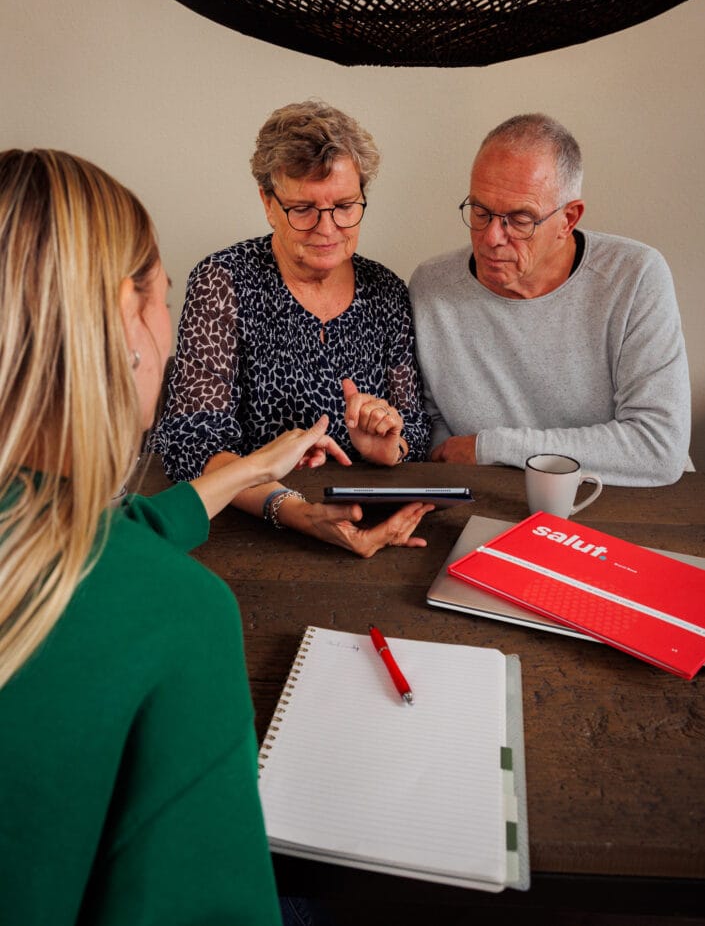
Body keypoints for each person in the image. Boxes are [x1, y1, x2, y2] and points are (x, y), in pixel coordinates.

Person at [0, 148, 356, 925]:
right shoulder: (181, 615)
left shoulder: (39, 530)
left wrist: (255, 469)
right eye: (160, 299)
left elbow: (102, 536)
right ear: (122, 324)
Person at [150, 99, 432, 553]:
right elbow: (192, 442)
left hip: (368, 520)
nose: (327, 228)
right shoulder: (223, 281)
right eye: (303, 208)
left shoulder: (386, 291)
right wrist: (296, 511)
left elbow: (414, 427)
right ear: (268, 202)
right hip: (249, 532)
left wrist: (387, 447)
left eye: (345, 206)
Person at [408, 113, 691, 487]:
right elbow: (436, 437)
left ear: (568, 220)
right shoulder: (431, 286)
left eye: (520, 219)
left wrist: (492, 447)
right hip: (493, 501)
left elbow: (658, 448)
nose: (491, 237)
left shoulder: (635, 277)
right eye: (480, 211)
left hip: (630, 501)